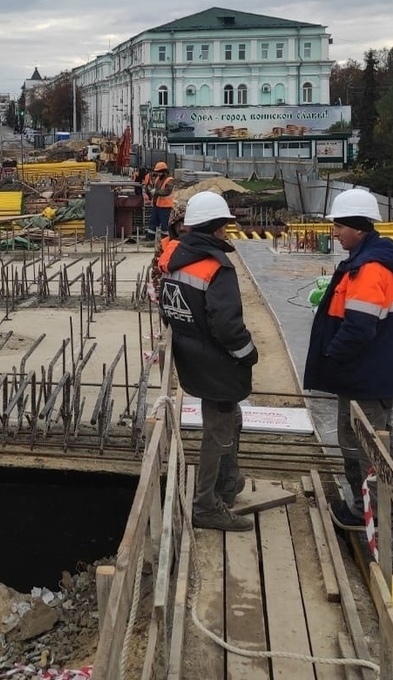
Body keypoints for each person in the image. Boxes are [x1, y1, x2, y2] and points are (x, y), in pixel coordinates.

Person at [303, 188, 393, 529]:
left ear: (358, 228)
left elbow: (359, 328)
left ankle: (366, 510)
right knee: (381, 437)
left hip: (366, 374)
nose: (334, 233)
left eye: (339, 226)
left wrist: (331, 355)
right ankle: (389, 502)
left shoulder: (369, 269)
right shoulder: (378, 259)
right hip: (378, 371)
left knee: (360, 443)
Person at [156, 191, 257, 532]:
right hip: (217, 364)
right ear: (216, 227)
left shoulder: (173, 260)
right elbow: (228, 326)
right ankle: (206, 504)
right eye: (225, 226)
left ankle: (227, 483)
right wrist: (248, 354)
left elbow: (168, 309)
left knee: (229, 419)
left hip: (192, 359)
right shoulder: (217, 267)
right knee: (218, 431)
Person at [143, 161, 175, 241]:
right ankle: (150, 238)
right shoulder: (158, 179)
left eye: (160, 172)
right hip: (157, 205)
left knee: (165, 225)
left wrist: (156, 192)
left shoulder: (170, 180)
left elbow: (167, 191)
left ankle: (165, 241)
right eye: (157, 172)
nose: (158, 174)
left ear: (164, 171)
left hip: (166, 207)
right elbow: (155, 188)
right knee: (153, 222)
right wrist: (150, 190)